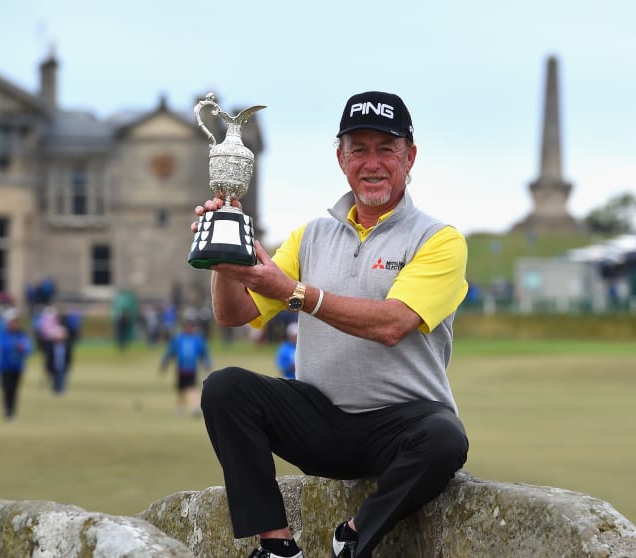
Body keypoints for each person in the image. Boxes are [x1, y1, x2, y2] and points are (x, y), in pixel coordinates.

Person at [195, 91, 469, 558]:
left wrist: (294, 292)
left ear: (410, 156)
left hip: (400, 426)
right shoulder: (310, 235)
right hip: (321, 419)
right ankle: (277, 546)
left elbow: (394, 323)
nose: (373, 162)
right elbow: (234, 313)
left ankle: (355, 536)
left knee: (445, 438)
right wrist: (227, 256)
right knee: (225, 389)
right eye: (359, 149)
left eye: (387, 148)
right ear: (340, 158)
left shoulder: (438, 239)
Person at [160, 317, 211, 416]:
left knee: (193, 388)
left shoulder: (197, 339)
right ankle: (180, 408)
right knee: (180, 389)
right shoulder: (179, 339)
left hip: (192, 368)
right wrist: (164, 363)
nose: (189, 329)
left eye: (191, 327)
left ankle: (195, 408)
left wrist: (207, 364)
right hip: (181, 368)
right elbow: (170, 352)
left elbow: (204, 353)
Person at [0, 309, 33, 421]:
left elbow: (29, 348)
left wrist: (22, 348)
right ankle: (7, 409)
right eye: (12, 322)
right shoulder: (3, 334)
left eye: (15, 322)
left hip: (17, 366)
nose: (14, 324)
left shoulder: (21, 334)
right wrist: (13, 347)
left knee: (14, 390)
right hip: (5, 366)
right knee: (7, 388)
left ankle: (12, 411)